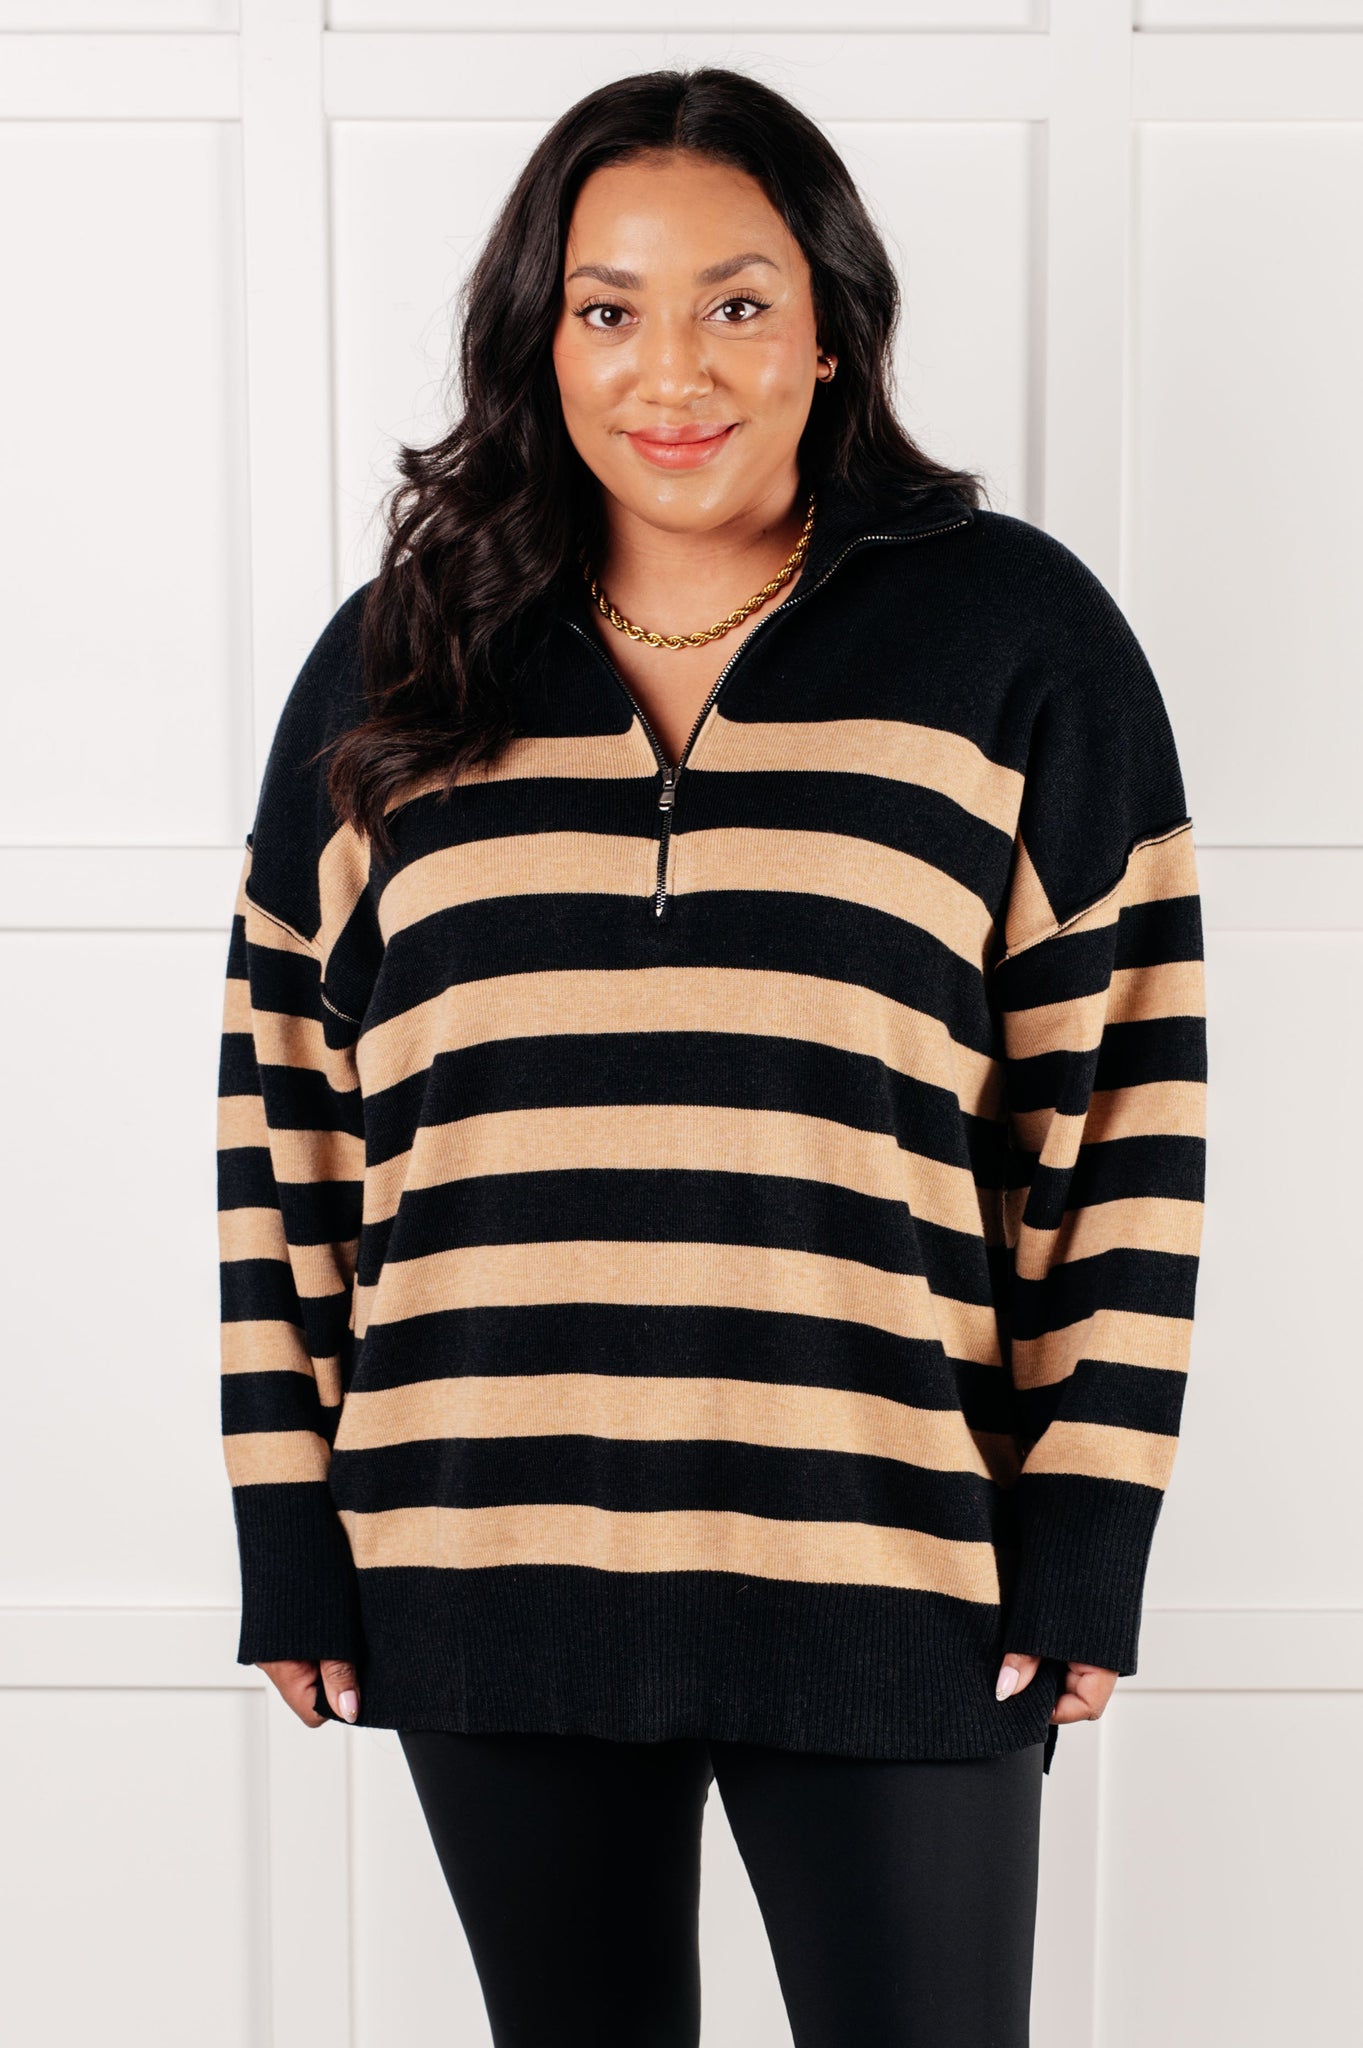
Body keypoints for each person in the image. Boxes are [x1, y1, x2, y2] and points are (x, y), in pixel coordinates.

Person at [216, 66, 1208, 2048]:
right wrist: (290, 1537)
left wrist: (1087, 1540)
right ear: (542, 336)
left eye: (737, 302)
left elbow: (1121, 1120)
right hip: (482, 1545)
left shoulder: (1015, 639)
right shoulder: (396, 659)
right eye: (608, 307)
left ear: (830, 328)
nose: (671, 369)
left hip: (897, 1553)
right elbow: (286, 1132)